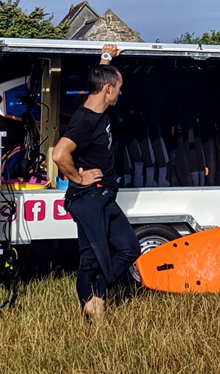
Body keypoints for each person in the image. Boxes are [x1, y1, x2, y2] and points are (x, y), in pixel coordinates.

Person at [52, 44, 139, 321]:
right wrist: (78, 176)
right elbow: (58, 153)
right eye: (119, 87)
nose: (121, 92)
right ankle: (90, 312)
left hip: (103, 197)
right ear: (108, 90)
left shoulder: (98, 109)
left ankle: (98, 296)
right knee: (90, 258)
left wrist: (106, 58)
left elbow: (100, 78)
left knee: (129, 248)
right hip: (88, 198)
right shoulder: (85, 121)